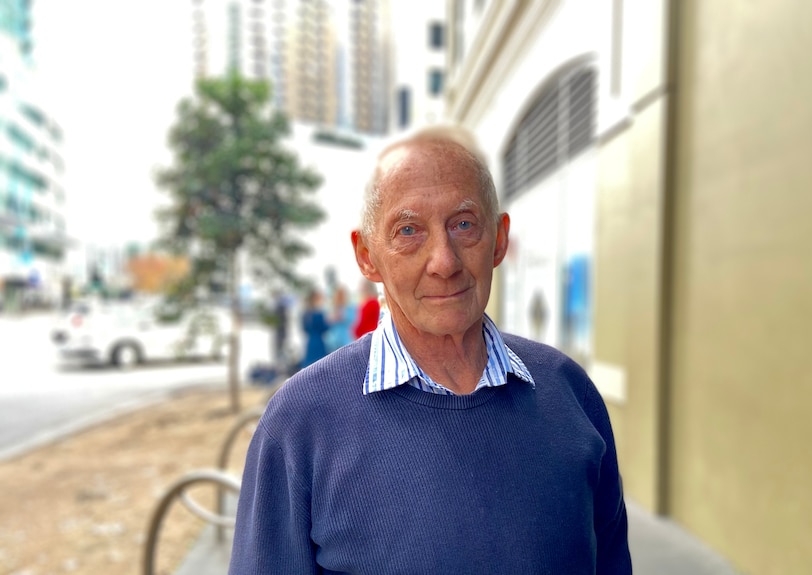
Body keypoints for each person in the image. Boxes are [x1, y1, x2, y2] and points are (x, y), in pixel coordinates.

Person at [229, 125, 632, 574]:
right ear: (367, 256)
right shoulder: (299, 423)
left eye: (463, 224)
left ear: (498, 240)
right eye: (408, 230)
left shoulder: (570, 393)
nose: (444, 261)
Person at [299, 288, 329, 369]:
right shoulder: (318, 313)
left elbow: (304, 328)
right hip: (318, 340)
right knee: (320, 363)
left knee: (310, 364)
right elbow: (324, 328)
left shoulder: (306, 313)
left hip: (311, 340)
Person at [324, 284, 356, 352]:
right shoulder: (332, 307)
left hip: (345, 338)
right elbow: (327, 320)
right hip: (333, 340)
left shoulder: (350, 307)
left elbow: (351, 319)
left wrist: (340, 316)